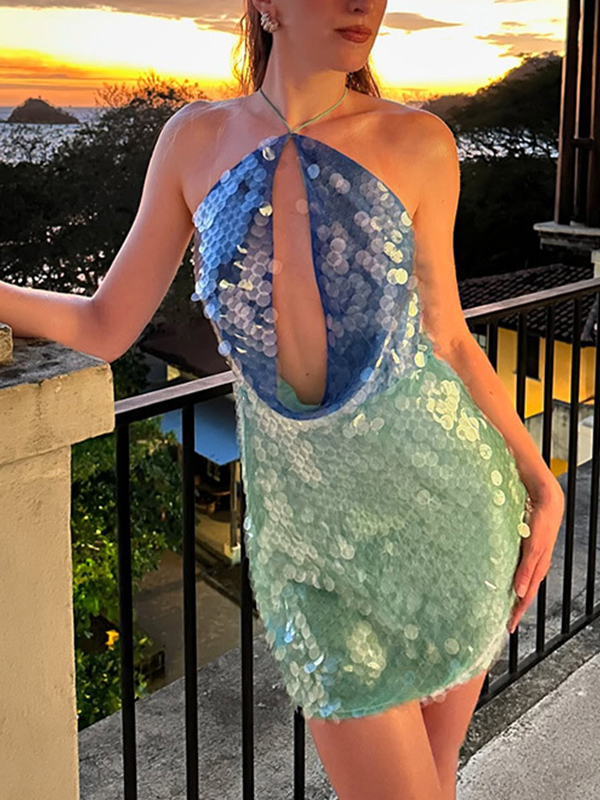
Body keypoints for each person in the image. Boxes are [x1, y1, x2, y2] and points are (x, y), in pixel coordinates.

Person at [0, 1, 565, 798]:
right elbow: (103, 324)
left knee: (434, 781)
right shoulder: (193, 140)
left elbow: (448, 337)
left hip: (452, 516)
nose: (362, 3)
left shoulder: (420, 143)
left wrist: (540, 479)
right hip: (310, 552)